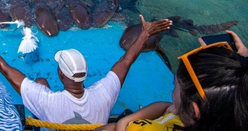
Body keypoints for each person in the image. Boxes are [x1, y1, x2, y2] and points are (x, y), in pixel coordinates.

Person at [0, 15, 172, 126]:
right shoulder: (105, 93)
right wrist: (144, 34)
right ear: (85, 74)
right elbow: (126, 61)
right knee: (41, 84)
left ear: (61, 74)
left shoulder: (48, 102)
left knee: (41, 83)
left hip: (50, 112)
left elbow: (5, 68)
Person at [96, 33, 248, 131]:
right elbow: (167, 108)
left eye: (175, 87)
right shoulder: (197, 116)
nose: (173, 90)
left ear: (193, 110)